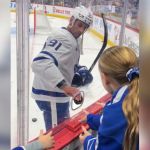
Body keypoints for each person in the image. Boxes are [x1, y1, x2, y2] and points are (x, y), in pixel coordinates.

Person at [31, 6, 93, 131]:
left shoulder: (70, 37)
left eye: (84, 27)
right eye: (80, 25)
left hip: (56, 94)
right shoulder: (64, 38)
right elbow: (40, 62)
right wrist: (65, 86)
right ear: (71, 20)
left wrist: (76, 71)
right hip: (51, 96)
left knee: (63, 130)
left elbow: (62, 62)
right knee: (57, 135)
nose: (81, 30)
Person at [79, 46, 139, 150]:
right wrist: (90, 119)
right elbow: (116, 123)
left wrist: (87, 141)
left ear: (105, 78)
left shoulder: (115, 110)